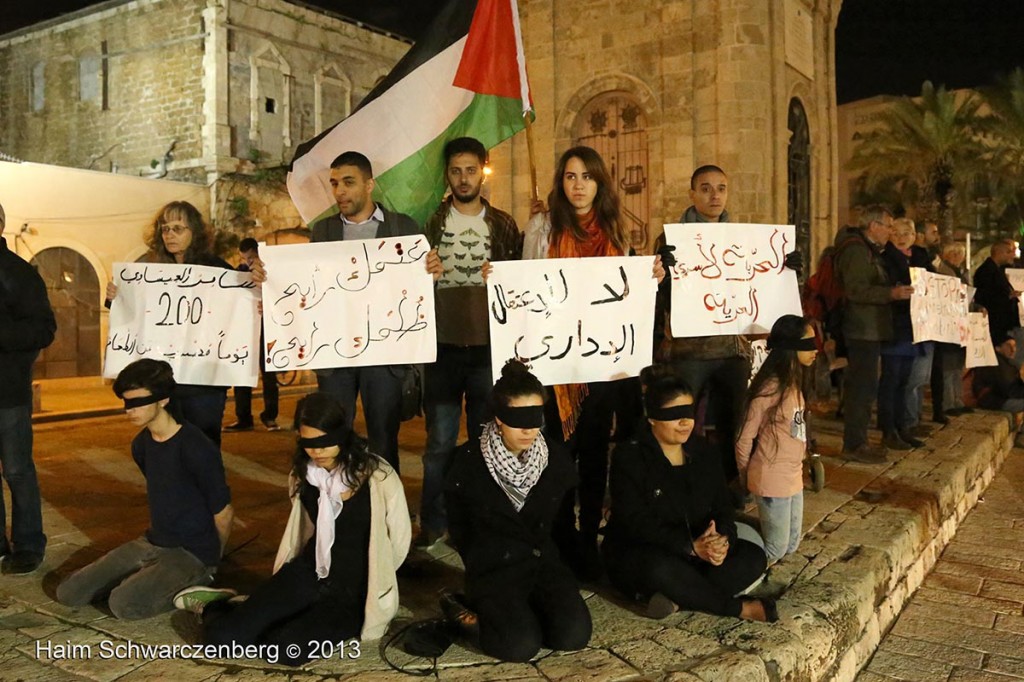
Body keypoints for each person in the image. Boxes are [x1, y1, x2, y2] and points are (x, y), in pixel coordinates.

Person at [174, 392, 411, 666]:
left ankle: (264, 616)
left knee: (286, 650)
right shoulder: (304, 474)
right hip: (307, 573)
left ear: (342, 435)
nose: (317, 451)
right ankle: (219, 606)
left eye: (324, 442)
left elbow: (399, 540)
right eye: (309, 443)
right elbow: (306, 526)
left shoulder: (379, 476)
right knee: (223, 641)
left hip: (353, 591)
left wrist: (379, 580)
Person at [522, 145, 665, 578]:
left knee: (595, 449)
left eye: (586, 176)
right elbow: (526, 283)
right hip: (558, 363)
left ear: (599, 183)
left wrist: (651, 279)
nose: (578, 184)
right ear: (560, 183)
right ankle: (562, 533)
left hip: (601, 364)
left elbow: (627, 295)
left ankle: (588, 534)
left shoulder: (616, 231)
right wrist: (502, 278)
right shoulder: (544, 227)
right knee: (560, 451)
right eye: (569, 176)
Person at [655, 165, 801, 490]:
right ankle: (683, 486)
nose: (714, 195)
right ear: (692, 194)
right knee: (681, 422)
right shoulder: (670, 239)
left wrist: (786, 269)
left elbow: (762, 283)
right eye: (705, 188)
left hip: (733, 350)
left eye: (721, 188)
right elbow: (662, 297)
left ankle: (728, 489)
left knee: (734, 423)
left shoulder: (745, 239)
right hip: (688, 350)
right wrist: (661, 273)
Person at [56, 359, 233, 619]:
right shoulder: (141, 445)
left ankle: (200, 586)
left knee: (123, 604)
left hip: (191, 550)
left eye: (139, 402)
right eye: (127, 403)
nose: (131, 410)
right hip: (152, 541)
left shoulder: (195, 446)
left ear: (163, 400)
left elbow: (224, 511)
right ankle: (152, 577)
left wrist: (211, 562)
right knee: (70, 593)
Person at [443, 361, 591, 662]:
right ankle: (464, 613)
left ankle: (530, 613)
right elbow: (461, 529)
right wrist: (482, 567)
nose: (528, 429)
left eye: (535, 418)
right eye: (517, 418)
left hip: (541, 564)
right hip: (494, 569)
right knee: (519, 645)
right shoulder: (468, 464)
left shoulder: (555, 461)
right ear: (498, 418)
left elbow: (561, 523)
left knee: (573, 634)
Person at [601, 367, 774, 622]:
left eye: (688, 414)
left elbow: (722, 506)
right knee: (660, 570)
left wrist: (721, 539)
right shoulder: (630, 457)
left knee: (753, 556)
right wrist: (689, 547)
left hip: (699, 550)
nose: (684, 422)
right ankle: (737, 608)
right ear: (652, 418)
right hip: (649, 550)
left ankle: (678, 598)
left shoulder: (704, 452)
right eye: (673, 415)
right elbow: (634, 521)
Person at [305, 151, 442, 472]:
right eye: (335, 183)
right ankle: (341, 505)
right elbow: (308, 286)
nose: (339, 191)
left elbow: (417, 293)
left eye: (348, 183)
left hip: (384, 354)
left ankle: (385, 510)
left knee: (383, 438)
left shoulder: (403, 227)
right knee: (334, 436)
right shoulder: (322, 232)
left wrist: (431, 276)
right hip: (336, 355)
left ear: (370, 185)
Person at [416, 137, 522, 549]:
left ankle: (477, 518)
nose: (463, 178)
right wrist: (421, 271)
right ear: (447, 174)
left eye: (470, 170)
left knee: (484, 439)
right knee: (439, 442)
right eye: (456, 170)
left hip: (487, 350)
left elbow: (519, 280)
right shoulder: (428, 224)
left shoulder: (504, 225)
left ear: (484, 170)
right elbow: (404, 278)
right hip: (440, 348)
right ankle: (434, 521)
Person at [106, 201, 234, 448]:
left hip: (204, 384)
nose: (170, 235)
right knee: (167, 447)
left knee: (203, 448)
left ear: (194, 232)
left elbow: (240, 312)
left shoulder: (218, 271)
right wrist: (116, 299)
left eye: (178, 228)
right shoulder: (154, 273)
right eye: (165, 229)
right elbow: (137, 317)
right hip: (166, 384)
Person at [0, 201, 56, 575]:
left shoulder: (18, 274)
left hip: (7, 394)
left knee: (18, 470)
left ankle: (29, 544)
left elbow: (43, 329)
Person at [833, 206, 914, 463]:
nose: (891, 232)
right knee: (862, 388)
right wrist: (890, 294)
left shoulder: (869, 250)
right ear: (873, 226)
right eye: (888, 226)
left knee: (866, 387)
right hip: (861, 329)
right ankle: (854, 444)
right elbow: (856, 290)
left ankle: (860, 442)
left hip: (869, 328)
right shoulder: (857, 251)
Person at [735, 315, 816, 565]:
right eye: (808, 343)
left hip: (792, 474)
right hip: (771, 476)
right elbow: (744, 437)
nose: (815, 350)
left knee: (791, 545)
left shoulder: (794, 382)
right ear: (790, 347)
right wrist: (746, 474)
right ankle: (735, 560)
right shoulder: (769, 388)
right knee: (775, 549)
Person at [877, 218, 925, 450]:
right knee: (892, 379)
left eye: (907, 232)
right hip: (895, 328)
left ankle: (901, 427)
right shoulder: (886, 259)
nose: (901, 236)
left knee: (904, 381)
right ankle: (889, 430)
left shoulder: (917, 259)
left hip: (911, 328)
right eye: (896, 232)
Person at [224, 238, 280, 432]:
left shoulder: (271, 273)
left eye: (251, 258)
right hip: (246, 329)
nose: (248, 262)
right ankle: (243, 417)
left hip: (266, 328)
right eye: (244, 258)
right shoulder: (239, 273)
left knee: (269, 374)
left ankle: (270, 416)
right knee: (243, 374)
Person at [903, 219, 939, 436]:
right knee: (914, 378)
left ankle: (915, 419)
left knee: (920, 378)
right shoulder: (916, 257)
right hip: (916, 324)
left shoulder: (924, 257)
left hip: (927, 324)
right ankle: (909, 421)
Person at [935, 242, 972, 419]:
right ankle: (948, 402)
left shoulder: (963, 272)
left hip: (961, 323)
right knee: (948, 366)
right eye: (954, 253)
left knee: (957, 366)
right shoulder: (943, 272)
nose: (958, 256)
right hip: (949, 324)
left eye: (960, 253)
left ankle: (958, 400)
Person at [972, 336, 1024, 448]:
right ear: (998, 348)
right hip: (994, 401)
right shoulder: (997, 364)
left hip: (998, 398)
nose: (1013, 349)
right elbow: (1007, 390)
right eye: (1009, 346)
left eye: (1014, 346)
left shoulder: (1005, 363)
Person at [973, 239, 1021, 362]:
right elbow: (986, 297)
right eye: (1008, 252)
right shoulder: (986, 271)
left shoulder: (997, 270)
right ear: (999, 253)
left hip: (1001, 325)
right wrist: (1007, 297)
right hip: (995, 326)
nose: (1012, 255)